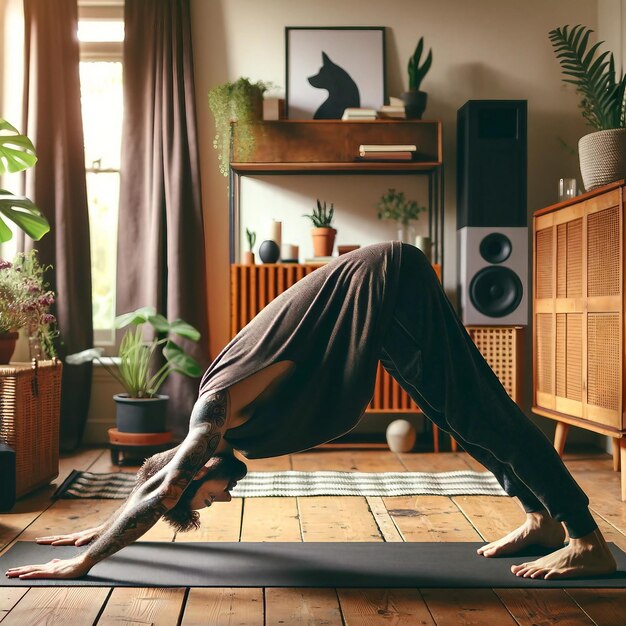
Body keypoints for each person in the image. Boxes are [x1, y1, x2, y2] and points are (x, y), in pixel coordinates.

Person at [6, 242, 617, 581]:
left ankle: (586, 538)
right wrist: (100, 524)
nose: (218, 501)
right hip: (381, 306)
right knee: (462, 421)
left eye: (202, 498)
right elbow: (157, 480)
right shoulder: (216, 433)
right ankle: (539, 517)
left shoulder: (212, 413)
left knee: (485, 414)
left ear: (197, 472)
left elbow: (163, 484)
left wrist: (87, 560)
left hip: (389, 286)